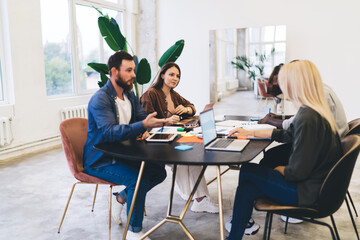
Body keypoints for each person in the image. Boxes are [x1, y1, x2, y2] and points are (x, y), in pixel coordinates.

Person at [226, 60, 343, 240]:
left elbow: (297, 172)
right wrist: (250, 132)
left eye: (283, 81)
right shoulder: (314, 111)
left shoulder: (308, 117)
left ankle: (236, 232)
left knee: (249, 170)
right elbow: (287, 135)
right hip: (317, 187)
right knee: (247, 190)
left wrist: (280, 170)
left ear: (294, 84)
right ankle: (235, 235)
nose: (280, 85)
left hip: (306, 193)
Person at [83, 51, 172, 240]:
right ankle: (134, 231)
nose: (133, 74)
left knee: (159, 172)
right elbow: (109, 132)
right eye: (129, 70)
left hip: (123, 154)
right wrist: (143, 125)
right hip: (101, 159)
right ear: (114, 72)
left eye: (134, 70)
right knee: (136, 180)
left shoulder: (129, 95)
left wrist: (165, 122)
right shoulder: (101, 99)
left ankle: (121, 197)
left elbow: (141, 118)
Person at [140, 62, 219, 213]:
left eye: (177, 76)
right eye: (171, 74)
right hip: (157, 144)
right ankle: (197, 198)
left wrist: (187, 109)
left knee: (196, 156)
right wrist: (166, 121)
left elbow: (192, 106)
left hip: (172, 139)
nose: (175, 78)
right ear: (162, 75)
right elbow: (146, 122)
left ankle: (199, 199)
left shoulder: (173, 94)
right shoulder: (151, 94)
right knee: (185, 160)